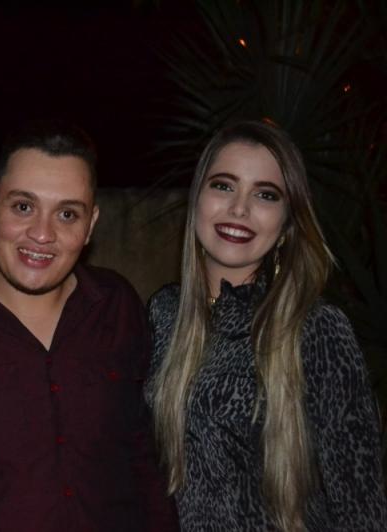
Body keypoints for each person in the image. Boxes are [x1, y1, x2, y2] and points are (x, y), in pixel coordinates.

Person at [0, 120, 176, 531]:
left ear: (90, 225)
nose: (42, 234)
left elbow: (141, 453)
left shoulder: (117, 306)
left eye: (67, 214)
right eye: (23, 207)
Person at [147, 120, 387, 531]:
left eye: (265, 194)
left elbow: (361, 506)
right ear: (197, 198)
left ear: (287, 224)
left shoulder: (317, 328)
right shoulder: (163, 313)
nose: (239, 208)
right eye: (223, 185)